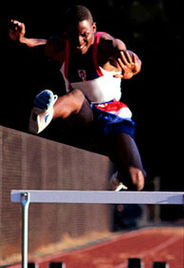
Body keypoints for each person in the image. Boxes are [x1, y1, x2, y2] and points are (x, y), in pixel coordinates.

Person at [8, 5, 145, 191]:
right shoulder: (62, 47)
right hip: (83, 118)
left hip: (112, 117)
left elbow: (126, 54)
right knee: (77, 96)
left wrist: (134, 67)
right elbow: (41, 43)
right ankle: (43, 115)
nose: (79, 41)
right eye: (73, 35)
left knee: (136, 182)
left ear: (94, 29)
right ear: (66, 33)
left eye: (84, 34)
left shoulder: (105, 46)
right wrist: (21, 39)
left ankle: (120, 175)